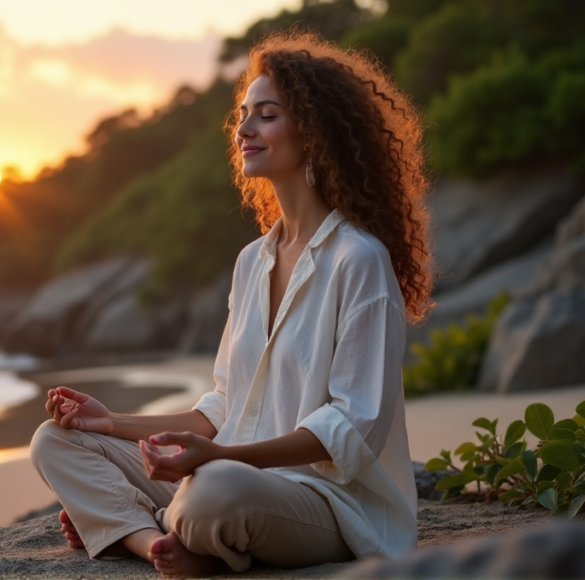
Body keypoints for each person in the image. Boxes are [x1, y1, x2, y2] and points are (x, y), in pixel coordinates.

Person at [30, 29, 432, 579]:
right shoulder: (252, 262)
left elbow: (352, 430)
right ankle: (156, 542)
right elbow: (222, 408)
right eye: (244, 114)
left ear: (313, 132)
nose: (244, 128)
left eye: (266, 114)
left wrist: (218, 459)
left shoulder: (359, 260)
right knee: (56, 441)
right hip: (224, 473)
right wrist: (110, 423)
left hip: (323, 503)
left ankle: (145, 523)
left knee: (214, 491)